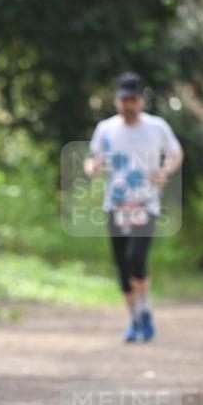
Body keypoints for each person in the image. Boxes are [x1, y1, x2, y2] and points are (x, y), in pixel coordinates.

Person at [84, 72, 183, 342]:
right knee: (121, 264)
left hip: (145, 202)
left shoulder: (157, 126)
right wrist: (92, 168)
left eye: (133, 99)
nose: (128, 104)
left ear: (141, 100)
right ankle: (135, 319)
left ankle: (144, 307)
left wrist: (165, 170)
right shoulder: (106, 128)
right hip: (115, 205)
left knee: (136, 258)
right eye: (123, 99)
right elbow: (93, 158)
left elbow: (175, 152)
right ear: (117, 100)